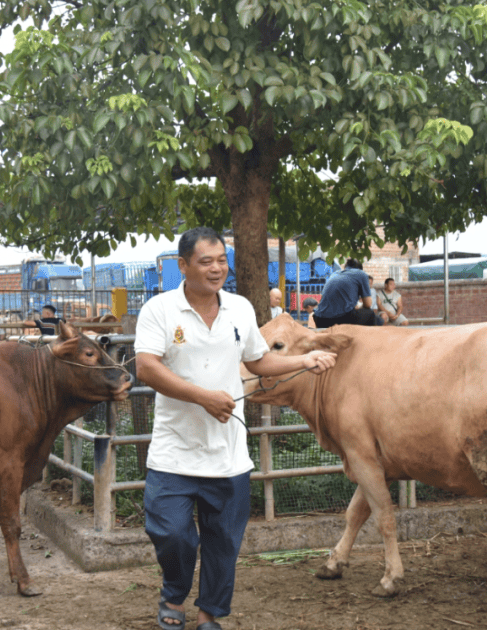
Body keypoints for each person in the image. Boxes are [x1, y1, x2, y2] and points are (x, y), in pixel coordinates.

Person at [134, 227, 336, 630]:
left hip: (227, 453)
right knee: (172, 534)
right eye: (206, 261)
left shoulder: (241, 308)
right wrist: (202, 397)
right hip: (175, 451)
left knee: (223, 542)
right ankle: (174, 594)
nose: (216, 269)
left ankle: (210, 612)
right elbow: (146, 367)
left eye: (221, 261)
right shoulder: (159, 310)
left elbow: (259, 362)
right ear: (183, 266)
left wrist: (304, 360)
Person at [312, 259, 375, 328]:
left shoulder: (335, 274)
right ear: (360, 269)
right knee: (370, 314)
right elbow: (368, 304)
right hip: (339, 320)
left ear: (345, 267)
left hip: (319, 319)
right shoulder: (361, 274)